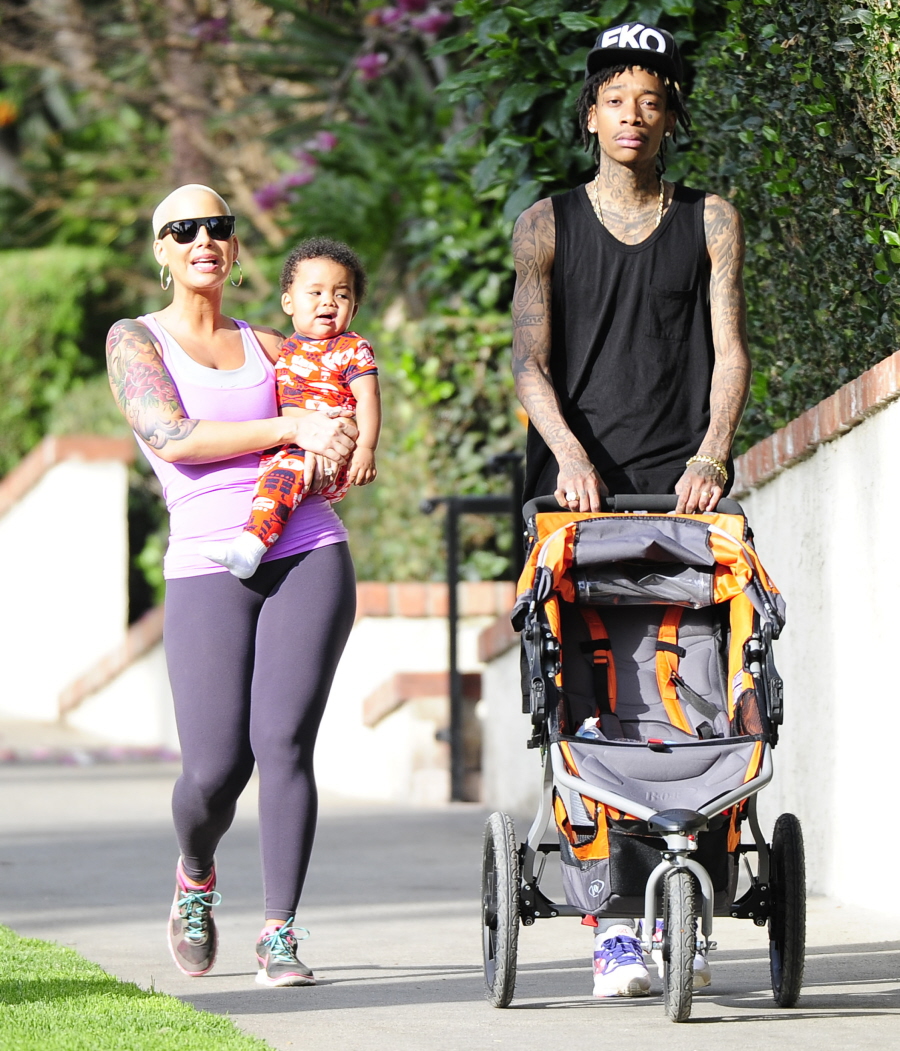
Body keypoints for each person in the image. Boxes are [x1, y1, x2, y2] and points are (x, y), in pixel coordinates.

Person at [511, 24, 751, 997]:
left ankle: (687, 907)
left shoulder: (712, 220)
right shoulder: (546, 224)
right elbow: (529, 363)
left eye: (650, 100)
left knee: (694, 684)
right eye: (616, 99)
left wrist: (711, 452)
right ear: (590, 115)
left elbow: (730, 349)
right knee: (581, 688)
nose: (633, 116)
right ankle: (612, 924)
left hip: (680, 488)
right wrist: (569, 456)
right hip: (576, 495)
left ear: (670, 117)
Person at [106, 184, 359, 988]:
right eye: (183, 229)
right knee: (215, 770)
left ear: (236, 247)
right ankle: (195, 871)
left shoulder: (273, 343)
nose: (203, 239)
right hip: (205, 561)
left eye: (217, 226)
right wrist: (291, 427)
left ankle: (279, 932)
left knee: (283, 743)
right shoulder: (135, 340)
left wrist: (347, 436)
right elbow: (172, 436)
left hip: (307, 547)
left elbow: (339, 399)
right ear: (162, 250)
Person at [200, 237, 381, 579]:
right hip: (290, 445)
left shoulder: (352, 348)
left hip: (327, 450)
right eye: (315, 292)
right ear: (288, 302)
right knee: (273, 482)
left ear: (354, 309)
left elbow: (369, 398)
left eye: (342, 295)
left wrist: (366, 449)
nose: (329, 301)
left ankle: (250, 548)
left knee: (284, 478)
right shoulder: (284, 348)